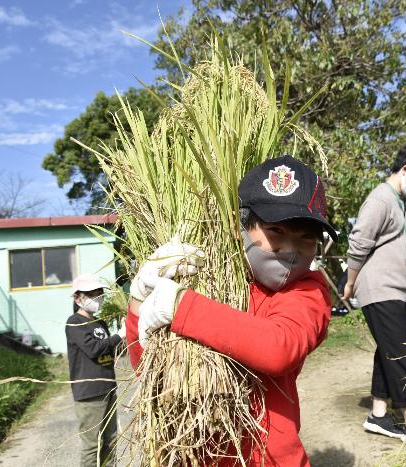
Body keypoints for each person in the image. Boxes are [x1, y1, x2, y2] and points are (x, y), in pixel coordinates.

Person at [125, 155, 336, 466]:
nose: (290, 249)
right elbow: (148, 369)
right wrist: (139, 302)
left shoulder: (307, 290)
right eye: (276, 232)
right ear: (242, 227)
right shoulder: (208, 282)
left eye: (306, 238)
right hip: (194, 455)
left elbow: (280, 348)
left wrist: (180, 305)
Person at [342, 143, 406, 451]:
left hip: (396, 288)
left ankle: (379, 415)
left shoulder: (400, 203)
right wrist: (350, 283)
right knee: (400, 352)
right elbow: (359, 241)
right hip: (378, 288)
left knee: (388, 350)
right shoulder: (381, 198)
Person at [66, 274, 126, 467]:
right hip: (89, 393)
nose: (97, 297)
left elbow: (112, 350)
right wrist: (119, 335)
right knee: (92, 446)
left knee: (111, 440)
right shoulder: (74, 323)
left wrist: (126, 334)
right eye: (91, 293)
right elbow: (93, 349)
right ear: (77, 298)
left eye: (99, 293)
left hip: (108, 388)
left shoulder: (99, 324)